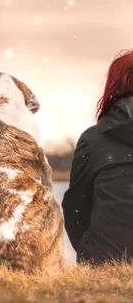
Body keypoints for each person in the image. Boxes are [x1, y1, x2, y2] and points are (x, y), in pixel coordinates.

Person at [62, 50, 133, 264]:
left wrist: (88, 252)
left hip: (106, 259)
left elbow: (76, 208)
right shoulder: (93, 140)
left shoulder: (94, 140)